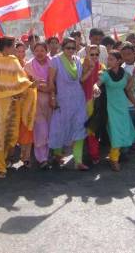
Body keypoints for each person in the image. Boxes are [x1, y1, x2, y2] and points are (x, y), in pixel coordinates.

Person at [0, 36, 36, 176]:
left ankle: (4, 159)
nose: (15, 48)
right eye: (13, 46)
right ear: (7, 47)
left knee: (11, 135)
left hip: (14, 104)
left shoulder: (14, 61)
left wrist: (31, 85)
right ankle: (0, 167)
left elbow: (21, 81)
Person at [95, 50, 135, 171]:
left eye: (111, 59)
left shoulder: (125, 73)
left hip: (122, 105)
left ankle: (116, 155)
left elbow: (128, 87)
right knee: (115, 132)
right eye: (108, 59)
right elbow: (97, 84)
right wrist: (95, 88)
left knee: (124, 130)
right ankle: (114, 159)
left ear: (118, 61)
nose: (108, 61)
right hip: (110, 107)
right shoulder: (105, 74)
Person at [48, 37, 88, 170]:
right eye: (68, 48)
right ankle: (58, 154)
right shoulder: (56, 60)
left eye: (73, 48)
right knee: (60, 128)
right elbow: (51, 81)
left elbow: (80, 80)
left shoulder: (77, 60)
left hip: (78, 99)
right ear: (62, 47)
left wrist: (91, 68)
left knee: (79, 127)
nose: (71, 50)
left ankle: (78, 161)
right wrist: (53, 98)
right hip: (63, 100)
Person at [24, 42, 53, 169]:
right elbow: (25, 84)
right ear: (33, 51)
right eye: (37, 50)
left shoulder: (52, 63)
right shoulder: (28, 65)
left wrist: (51, 93)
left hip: (51, 100)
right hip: (35, 101)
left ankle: (48, 155)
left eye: (42, 50)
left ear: (46, 51)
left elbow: (57, 80)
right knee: (41, 130)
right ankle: (42, 158)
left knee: (50, 128)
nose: (40, 53)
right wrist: (36, 86)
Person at [81, 44, 104, 164]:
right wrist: (89, 69)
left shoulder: (101, 65)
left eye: (97, 54)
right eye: (92, 54)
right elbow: (81, 80)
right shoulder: (82, 64)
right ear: (87, 54)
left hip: (97, 101)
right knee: (90, 129)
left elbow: (101, 80)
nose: (95, 56)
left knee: (93, 129)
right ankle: (93, 154)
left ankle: (93, 153)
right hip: (85, 100)